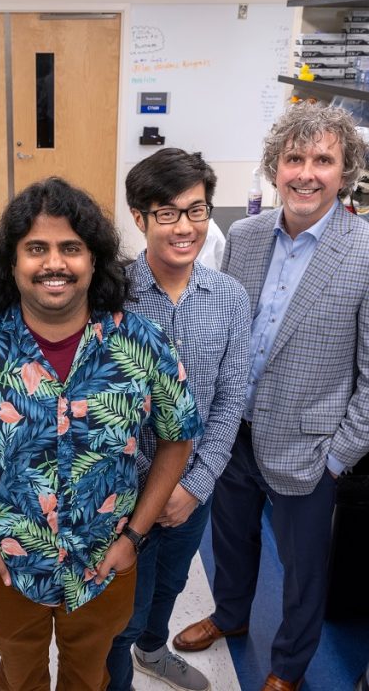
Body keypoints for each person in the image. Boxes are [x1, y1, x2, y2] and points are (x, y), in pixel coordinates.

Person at [0, 177, 203, 691]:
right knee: (19, 676)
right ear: (11, 261)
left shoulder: (142, 343)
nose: (54, 263)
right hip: (5, 563)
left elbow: (178, 437)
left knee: (91, 676)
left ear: (94, 260)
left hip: (105, 561)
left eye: (71, 248)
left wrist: (134, 536)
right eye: (36, 248)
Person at [173, 103, 369, 691]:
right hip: (234, 431)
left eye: (323, 160)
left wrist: (337, 456)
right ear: (274, 168)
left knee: (304, 572)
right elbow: (231, 330)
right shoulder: (247, 237)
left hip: (310, 447)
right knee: (230, 540)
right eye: (294, 158)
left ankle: (288, 666)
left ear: (345, 171)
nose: (307, 173)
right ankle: (230, 616)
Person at [106, 148, 251, 691]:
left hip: (193, 489)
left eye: (196, 210)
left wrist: (194, 483)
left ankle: (152, 651)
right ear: (139, 218)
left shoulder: (230, 299)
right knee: (123, 604)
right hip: (121, 492)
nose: (184, 226)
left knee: (170, 582)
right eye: (166, 213)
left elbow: (231, 397)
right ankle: (118, 671)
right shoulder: (111, 295)